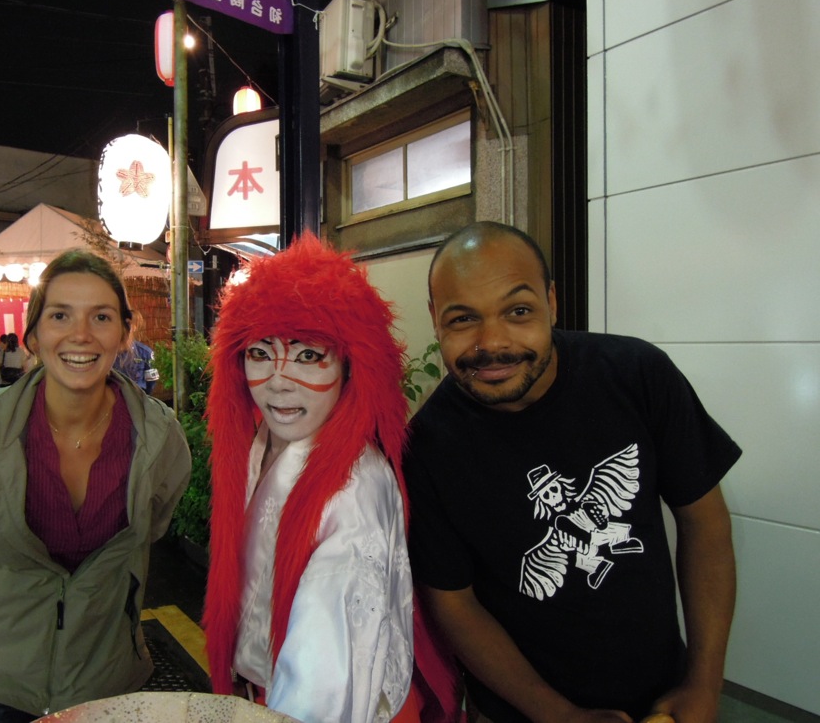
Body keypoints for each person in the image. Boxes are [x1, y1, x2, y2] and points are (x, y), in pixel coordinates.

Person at [403, 221, 742, 723]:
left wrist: (704, 682)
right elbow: (454, 605)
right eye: (462, 319)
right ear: (435, 319)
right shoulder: (427, 446)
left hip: (663, 697)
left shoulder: (637, 374)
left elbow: (706, 524)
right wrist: (559, 715)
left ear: (552, 301)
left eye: (518, 311)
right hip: (519, 710)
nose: (492, 343)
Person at [0, 249, 192, 723]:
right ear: (34, 335)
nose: (80, 334)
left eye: (101, 317)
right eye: (60, 315)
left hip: (107, 679)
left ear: (125, 333)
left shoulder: (160, 438)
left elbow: (148, 532)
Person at [203, 235, 456, 723]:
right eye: (259, 352)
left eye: (308, 355)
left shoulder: (352, 489)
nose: (279, 380)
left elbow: (322, 681)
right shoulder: (267, 444)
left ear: (351, 366)